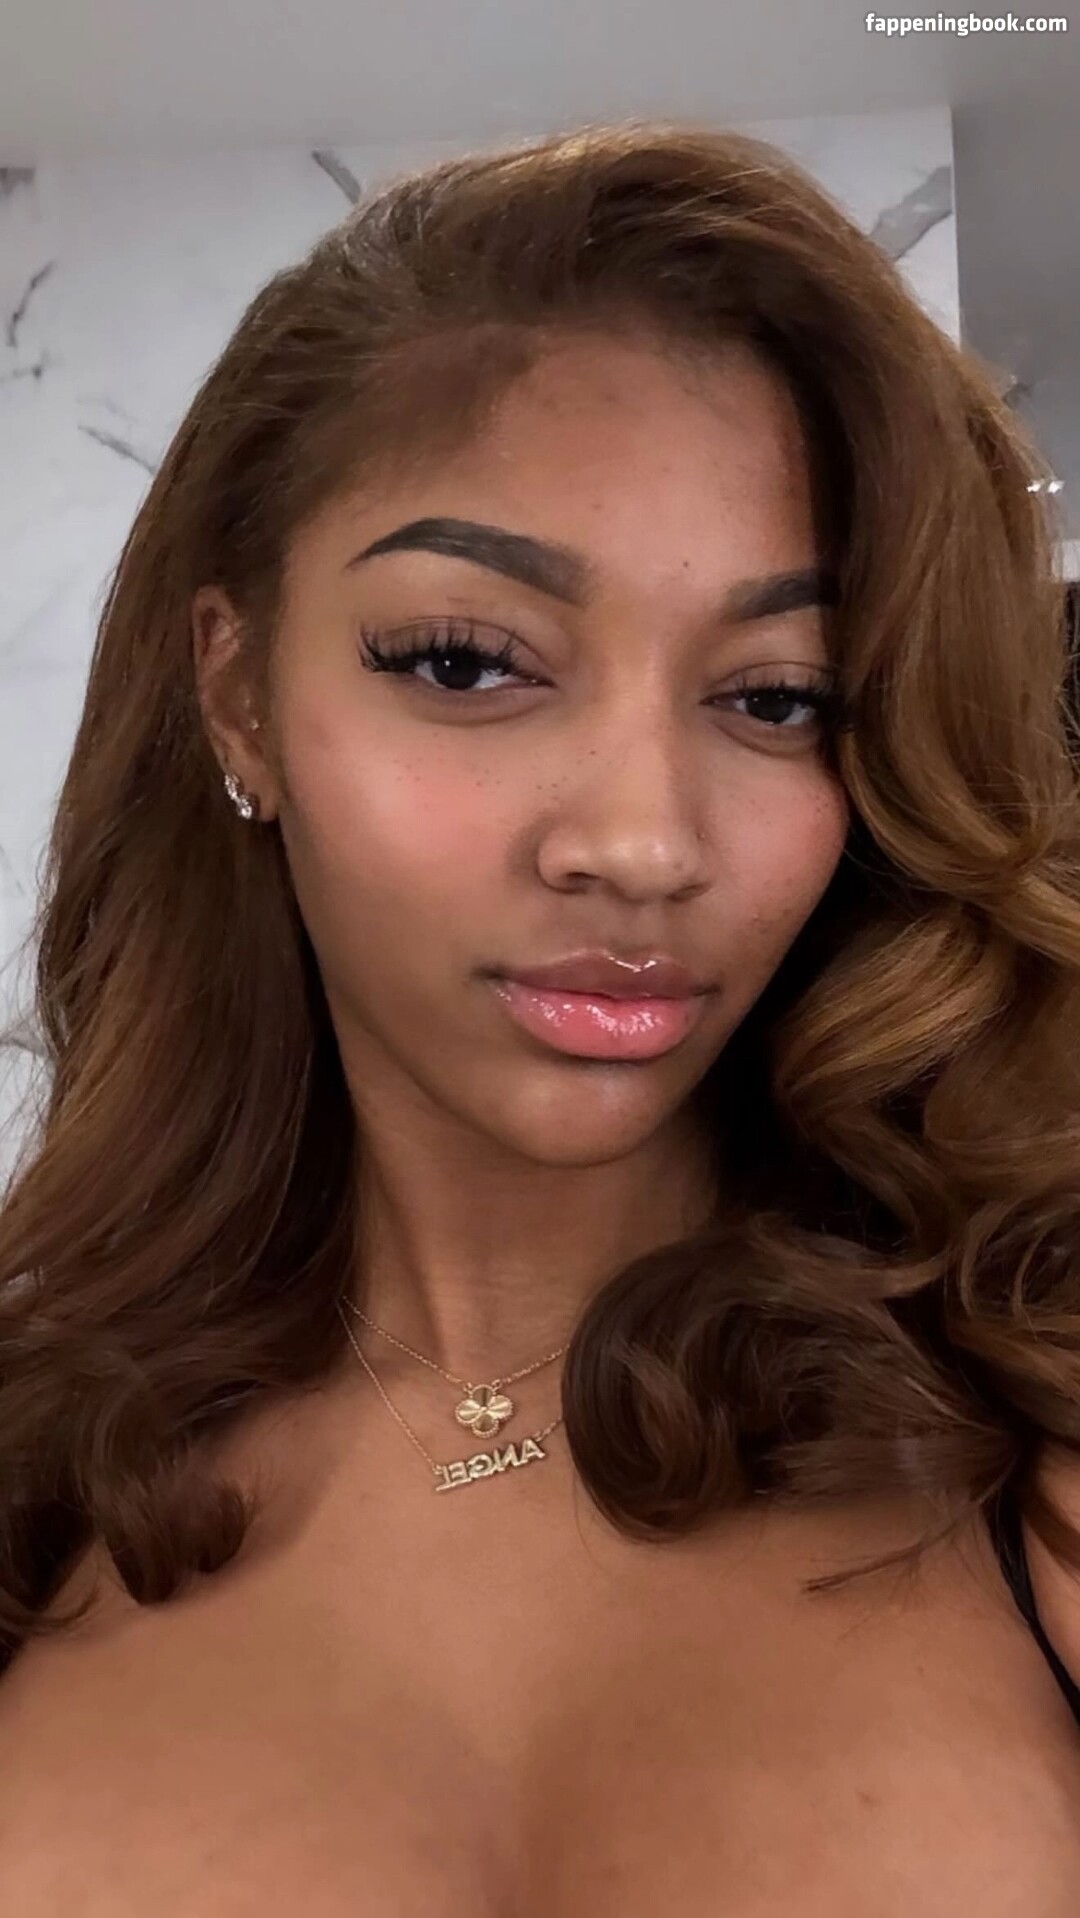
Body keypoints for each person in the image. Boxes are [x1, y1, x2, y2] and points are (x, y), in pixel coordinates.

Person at [0, 119, 1078, 1912]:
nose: (643, 842)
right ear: (239, 692)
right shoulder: (31, 1488)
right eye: (467, 662)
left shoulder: (1030, 1438)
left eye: (778, 697)